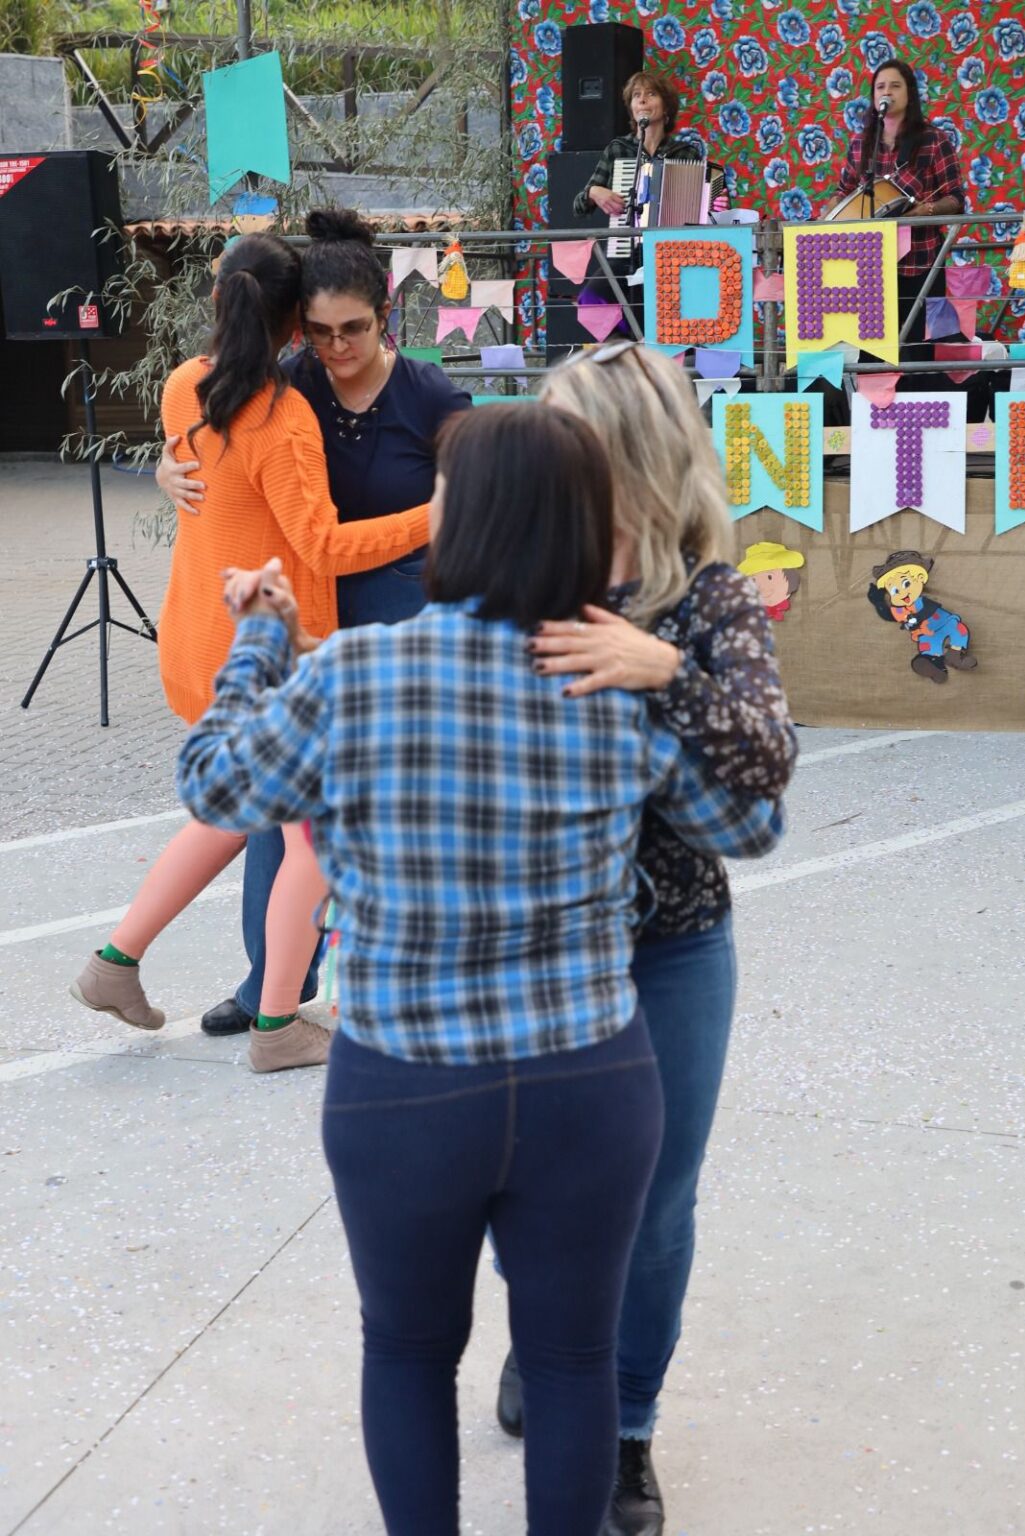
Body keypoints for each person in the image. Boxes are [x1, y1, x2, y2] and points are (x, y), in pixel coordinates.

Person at [173, 402, 786, 1536]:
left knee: (407, 1349)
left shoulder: (355, 673)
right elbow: (748, 827)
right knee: (571, 1357)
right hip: (588, 1077)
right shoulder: (600, 681)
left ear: (459, 523)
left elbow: (216, 784)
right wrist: (655, 699)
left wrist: (259, 640)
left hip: (405, 1081)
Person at [485, 342, 797, 1536]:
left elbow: (766, 768)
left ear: (628, 451)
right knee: (526, 1191)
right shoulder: (517, 580)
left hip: (674, 950)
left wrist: (658, 668)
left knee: (657, 1206)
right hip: (535, 949)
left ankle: (624, 1426)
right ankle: (543, 1340)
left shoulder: (707, 599)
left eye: (565, 432)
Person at [70, 232, 430, 1072]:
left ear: (216, 297)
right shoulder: (282, 417)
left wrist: (166, 469)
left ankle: (114, 964)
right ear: (295, 325)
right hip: (271, 657)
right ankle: (276, 1027)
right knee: (310, 841)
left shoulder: (183, 386)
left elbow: (208, 479)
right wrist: (435, 517)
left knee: (231, 812)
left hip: (203, 642)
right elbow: (324, 546)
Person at [158, 208, 471, 1040]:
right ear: (299, 326)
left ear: (386, 316)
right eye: (321, 332)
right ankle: (271, 987)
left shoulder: (431, 394)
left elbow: (479, 495)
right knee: (282, 819)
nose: (336, 347)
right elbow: (218, 444)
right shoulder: (287, 384)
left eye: (353, 330)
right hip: (312, 617)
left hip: (403, 617)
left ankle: (409, 978)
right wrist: (167, 465)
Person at [833, 58, 965, 388]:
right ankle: (873, 415)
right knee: (873, 357)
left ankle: (920, 415)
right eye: (880, 87)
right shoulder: (862, 144)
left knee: (918, 356)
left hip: (922, 263)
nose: (887, 92)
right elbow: (843, 194)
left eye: (895, 86)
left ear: (909, 93)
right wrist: (825, 219)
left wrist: (927, 211)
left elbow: (956, 199)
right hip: (871, 268)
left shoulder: (934, 140)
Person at [573, 71, 701, 222]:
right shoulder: (618, 150)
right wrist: (593, 192)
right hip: (628, 236)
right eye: (636, 95)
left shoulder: (686, 153)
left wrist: (716, 203)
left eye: (651, 94)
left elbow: (705, 206)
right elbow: (579, 208)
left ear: (666, 107)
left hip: (671, 236)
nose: (642, 100)